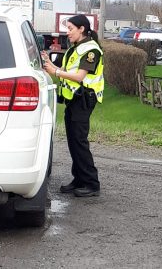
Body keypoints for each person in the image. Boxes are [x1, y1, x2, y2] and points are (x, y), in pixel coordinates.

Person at [41, 14, 104, 197]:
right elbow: (67, 71)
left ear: (82, 28)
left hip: (84, 99)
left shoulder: (91, 51)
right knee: (73, 142)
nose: (67, 33)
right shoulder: (76, 48)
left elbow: (80, 77)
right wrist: (49, 63)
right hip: (74, 100)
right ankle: (79, 179)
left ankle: (92, 184)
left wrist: (56, 71)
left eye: (70, 29)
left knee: (79, 142)